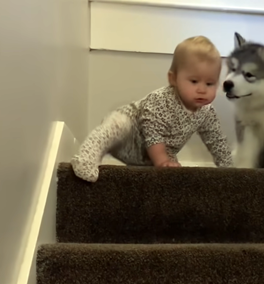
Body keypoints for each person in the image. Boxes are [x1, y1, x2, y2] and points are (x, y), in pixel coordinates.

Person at [70, 35, 233, 182]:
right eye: (194, 81)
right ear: (173, 79)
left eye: (210, 83)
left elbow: (216, 140)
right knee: (117, 125)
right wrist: (161, 159)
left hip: (155, 154)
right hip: (132, 134)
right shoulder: (162, 99)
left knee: (175, 175)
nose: (202, 89)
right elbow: (152, 129)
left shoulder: (207, 112)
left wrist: (230, 170)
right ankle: (87, 158)